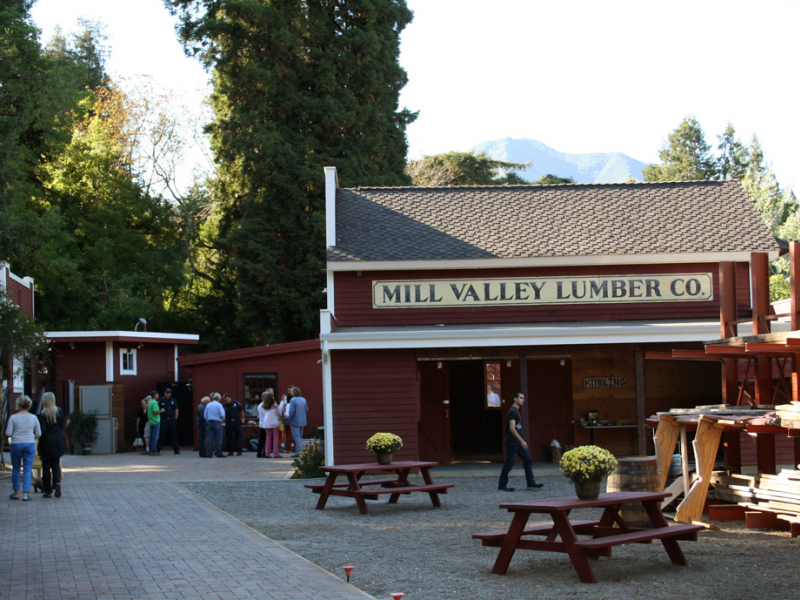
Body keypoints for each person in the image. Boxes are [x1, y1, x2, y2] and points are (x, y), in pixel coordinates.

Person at [498, 392, 543, 492]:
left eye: (523, 398)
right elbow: (512, 428)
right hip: (513, 441)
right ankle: (502, 484)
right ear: (515, 399)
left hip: (516, 442)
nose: (523, 400)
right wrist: (522, 440)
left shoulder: (516, 411)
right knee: (509, 463)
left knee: (528, 459)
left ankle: (530, 482)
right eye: (521, 398)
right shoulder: (513, 411)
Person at [5, 395, 41, 501]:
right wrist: (30, 436)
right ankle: (25, 494)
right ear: (29, 405)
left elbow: (8, 433)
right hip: (29, 444)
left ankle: (16, 493)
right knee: (27, 469)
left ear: (18, 405)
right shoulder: (33, 417)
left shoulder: (13, 417)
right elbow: (38, 433)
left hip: (16, 444)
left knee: (16, 469)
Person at [37, 392, 67, 499]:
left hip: (46, 442)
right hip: (58, 441)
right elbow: (62, 426)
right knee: (56, 464)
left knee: (46, 466)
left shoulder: (42, 414)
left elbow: (43, 429)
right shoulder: (59, 411)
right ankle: (57, 483)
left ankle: (48, 490)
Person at [285, 386, 309, 458]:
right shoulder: (304, 399)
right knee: (300, 437)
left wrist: (290, 419)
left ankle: (299, 452)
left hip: (295, 420)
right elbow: (306, 409)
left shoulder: (293, 400)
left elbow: (292, 411)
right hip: (303, 420)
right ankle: (300, 451)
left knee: (296, 437)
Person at [257, 389, 280, 458]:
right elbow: (279, 414)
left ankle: (266, 453)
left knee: (266, 438)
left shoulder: (262, 406)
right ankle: (275, 453)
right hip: (274, 423)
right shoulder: (274, 406)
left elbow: (259, 415)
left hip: (265, 423)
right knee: (275, 438)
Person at [157, 388, 180, 454]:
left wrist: (175, 418)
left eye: (168, 393)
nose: (167, 394)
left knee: (173, 435)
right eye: (166, 392)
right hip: (163, 419)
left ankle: (176, 450)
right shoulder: (161, 400)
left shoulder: (173, 400)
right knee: (161, 435)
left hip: (171, 419)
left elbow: (176, 409)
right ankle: (158, 449)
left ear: (170, 394)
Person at [204, 393, 225, 458]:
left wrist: (208, 421)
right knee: (218, 438)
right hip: (217, 422)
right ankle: (219, 452)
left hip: (210, 422)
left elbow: (205, 415)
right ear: (219, 399)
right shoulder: (219, 405)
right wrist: (222, 419)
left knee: (211, 438)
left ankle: (210, 453)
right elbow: (222, 414)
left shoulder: (208, 405)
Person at [143, 391, 163, 456]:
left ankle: (150, 450)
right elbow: (155, 412)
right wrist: (161, 411)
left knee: (151, 436)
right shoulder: (154, 402)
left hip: (150, 421)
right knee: (155, 437)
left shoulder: (149, 402)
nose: (158, 396)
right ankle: (154, 451)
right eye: (157, 395)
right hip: (155, 420)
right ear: (154, 395)